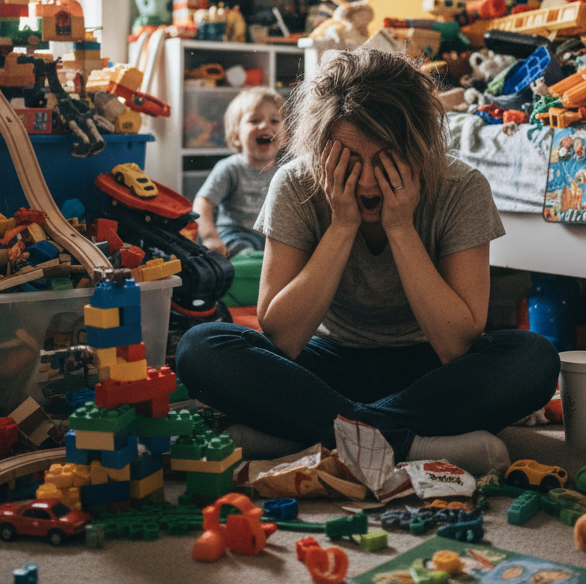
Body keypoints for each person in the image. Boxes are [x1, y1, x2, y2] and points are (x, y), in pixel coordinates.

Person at [176, 49, 560, 475]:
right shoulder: (297, 183)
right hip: (325, 364)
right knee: (200, 347)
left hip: (429, 372)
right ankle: (407, 444)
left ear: (417, 146)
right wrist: (342, 225)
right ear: (322, 150)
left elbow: (455, 345)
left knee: (535, 358)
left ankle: (309, 435)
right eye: (348, 160)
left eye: (387, 158)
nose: (368, 180)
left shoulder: (461, 187)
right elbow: (282, 336)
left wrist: (400, 227)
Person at [193, 87, 285, 257]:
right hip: (237, 235)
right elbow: (203, 202)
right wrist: (210, 237)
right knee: (237, 246)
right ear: (236, 135)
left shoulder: (285, 171)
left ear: (285, 134)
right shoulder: (229, 168)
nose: (265, 125)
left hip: (272, 239)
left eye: (274, 121)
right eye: (254, 120)